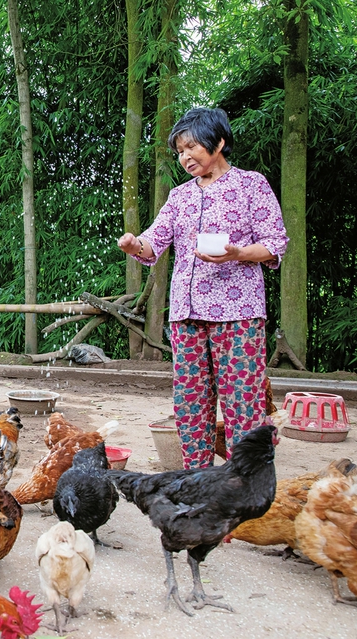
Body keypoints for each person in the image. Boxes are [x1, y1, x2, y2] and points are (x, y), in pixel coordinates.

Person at [117, 107, 288, 469]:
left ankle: (246, 480)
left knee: (243, 401)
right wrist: (135, 245)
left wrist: (239, 253)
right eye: (180, 151)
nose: (184, 157)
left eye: (191, 147)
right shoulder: (179, 196)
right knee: (190, 401)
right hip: (186, 315)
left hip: (237, 313)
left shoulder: (251, 185)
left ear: (219, 142)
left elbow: (275, 243)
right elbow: (154, 241)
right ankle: (198, 479)